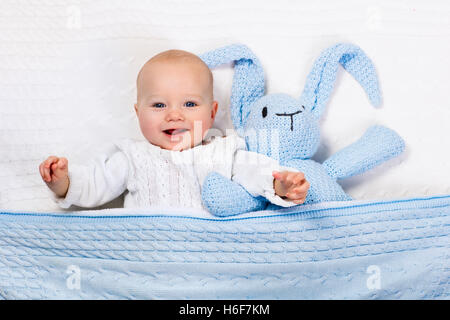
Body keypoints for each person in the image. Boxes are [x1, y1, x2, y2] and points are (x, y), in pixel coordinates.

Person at [38, 48, 310, 216]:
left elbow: (256, 172)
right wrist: (62, 182)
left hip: (211, 253)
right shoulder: (133, 157)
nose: (174, 114)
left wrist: (281, 185)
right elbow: (94, 185)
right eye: (158, 105)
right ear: (138, 112)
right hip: (151, 256)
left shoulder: (224, 150)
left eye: (190, 104)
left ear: (212, 113)